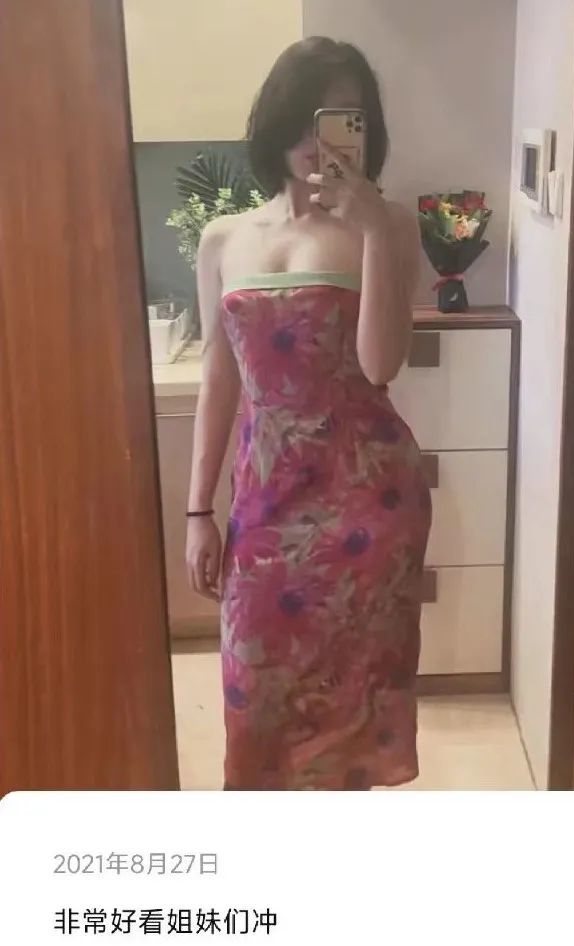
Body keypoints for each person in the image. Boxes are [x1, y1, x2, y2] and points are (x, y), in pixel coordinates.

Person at [185, 36, 432, 791]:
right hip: (264, 507)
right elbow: (218, 377)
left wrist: (373, 230)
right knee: (255, 701)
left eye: (341, 119)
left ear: (365, 132)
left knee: (351, 716)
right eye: (303, 116)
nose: (314, 139)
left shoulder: (391, 226)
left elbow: (380, 365)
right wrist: (197, 510)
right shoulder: (224, 239)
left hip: (368, 502)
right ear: (274, 122)